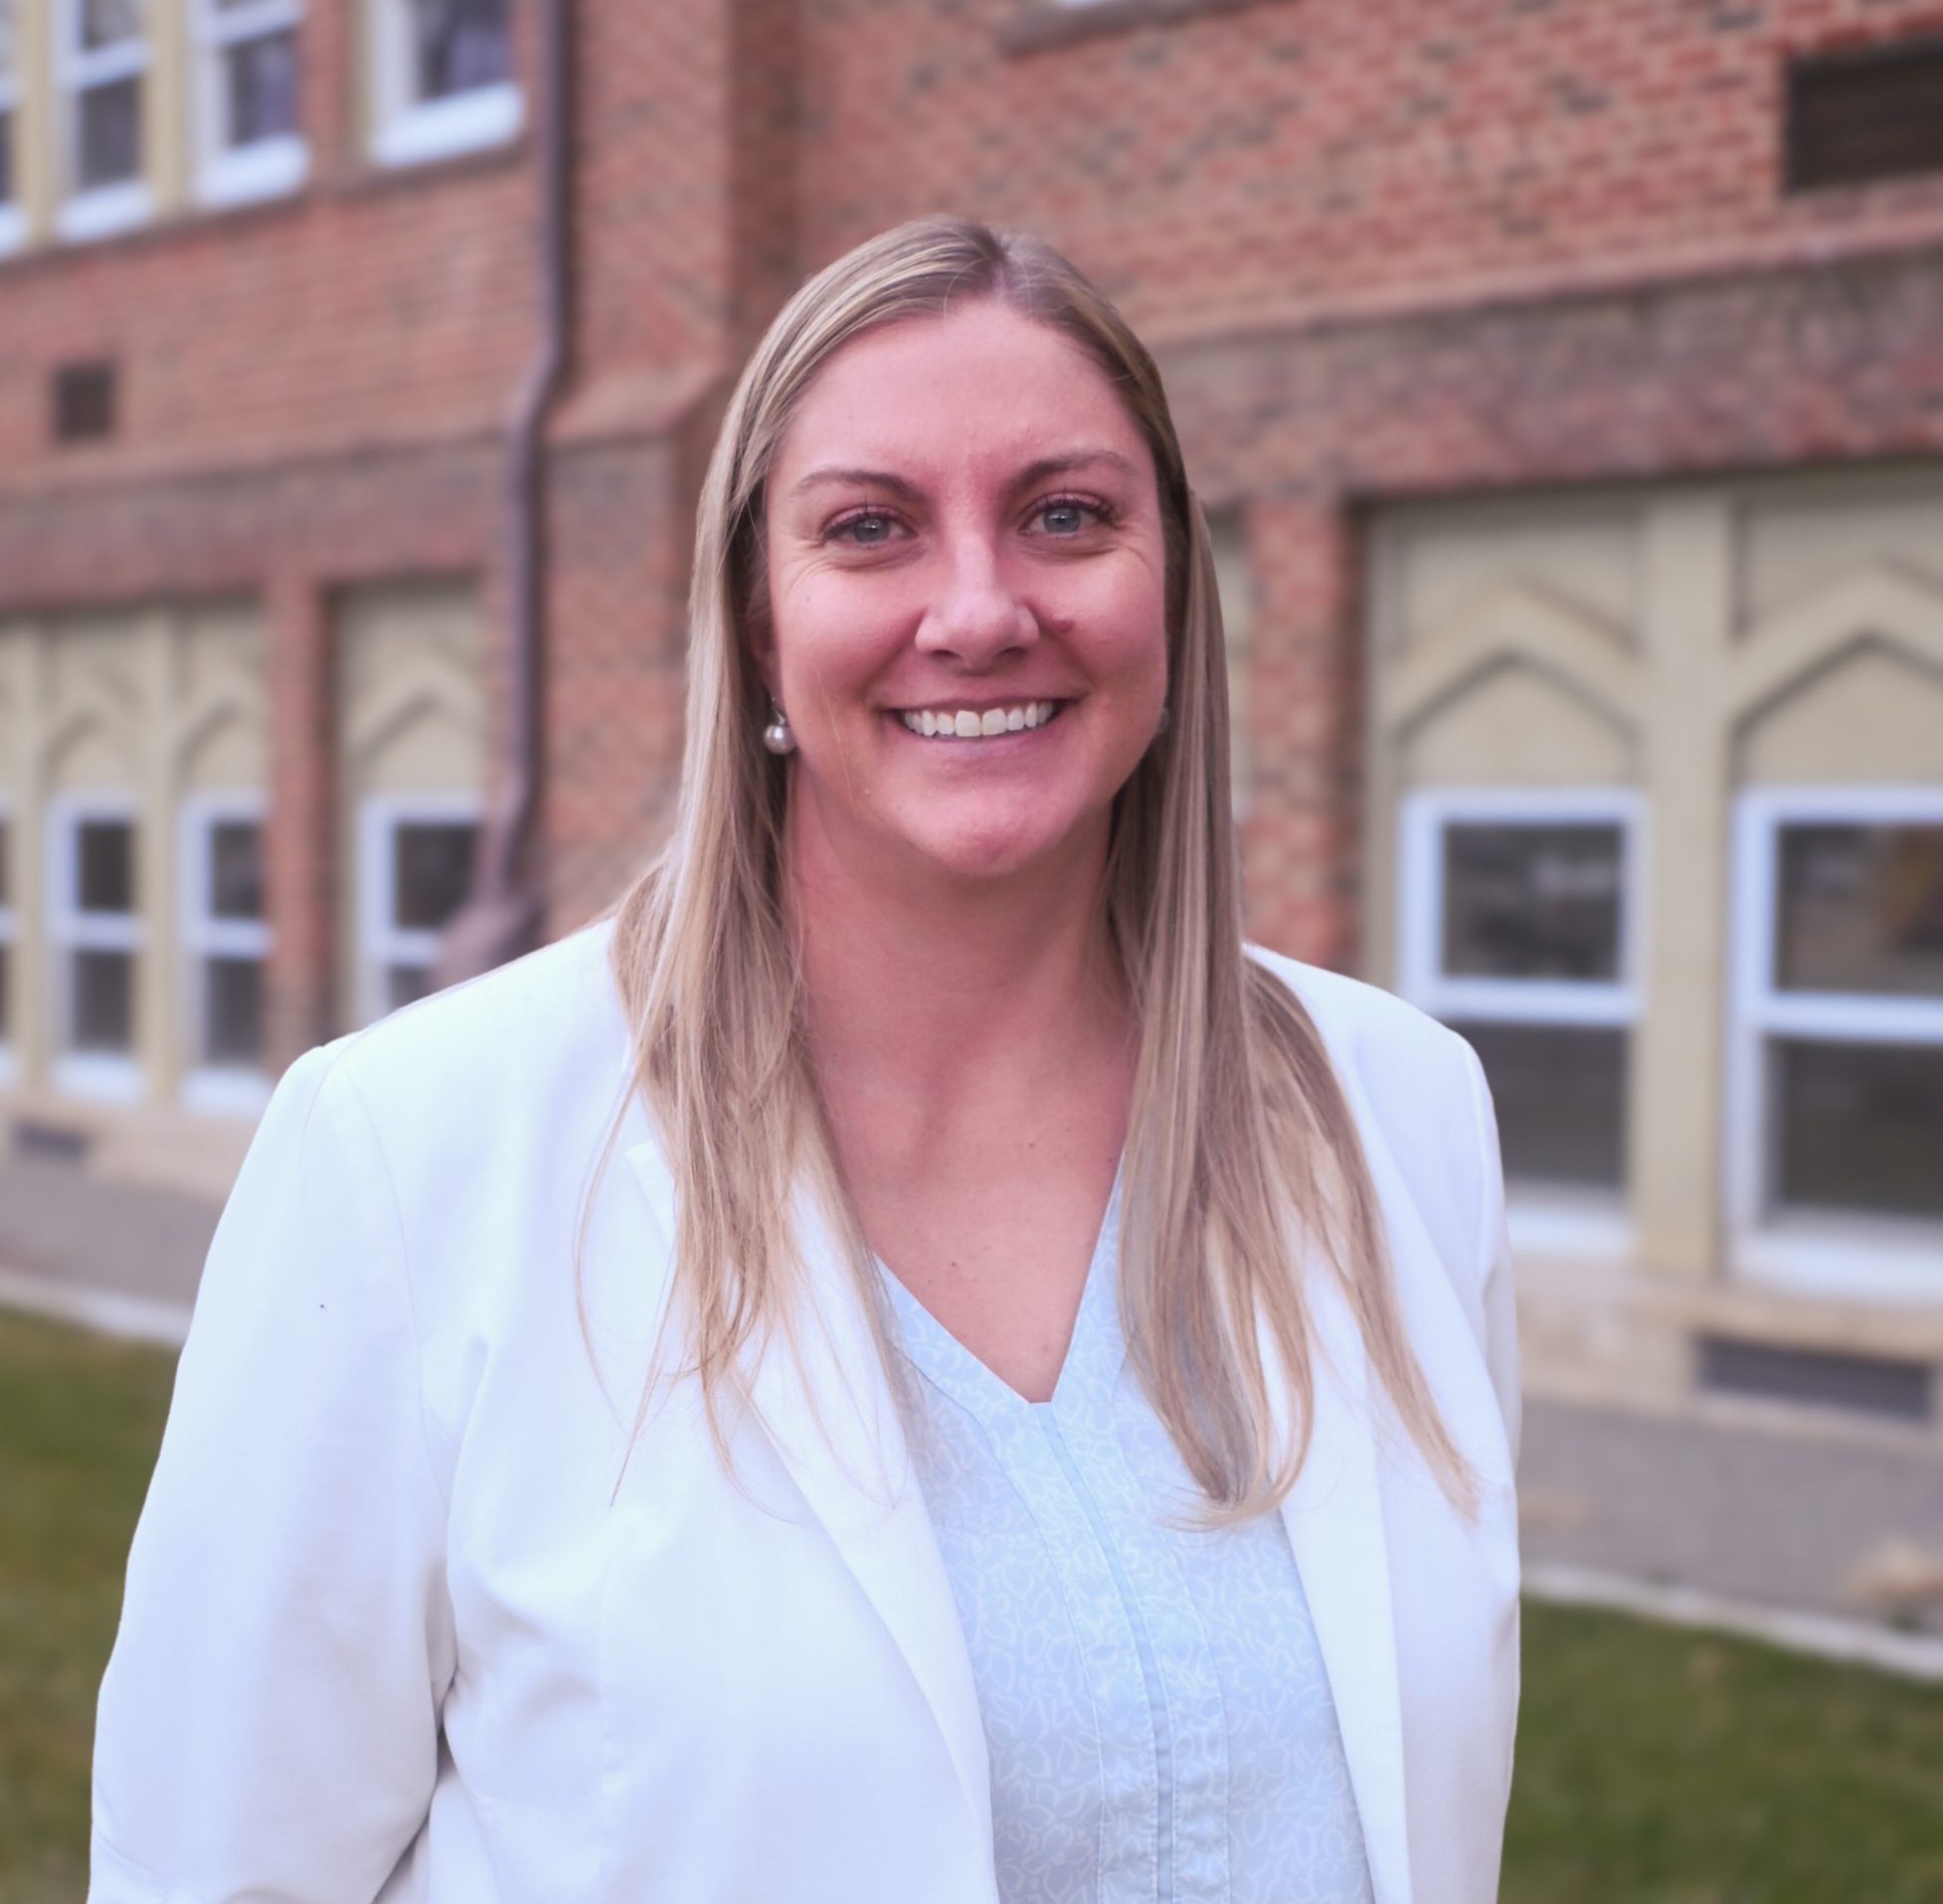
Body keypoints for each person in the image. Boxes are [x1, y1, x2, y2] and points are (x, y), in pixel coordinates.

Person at [89, 217, 1520, 1904]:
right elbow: (218, 1865)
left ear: (1171, 591)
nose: (981, 609)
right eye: (870, 530)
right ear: (759, 626)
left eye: (1065, 515)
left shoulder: (1395, 1114)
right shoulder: (417, 1152)